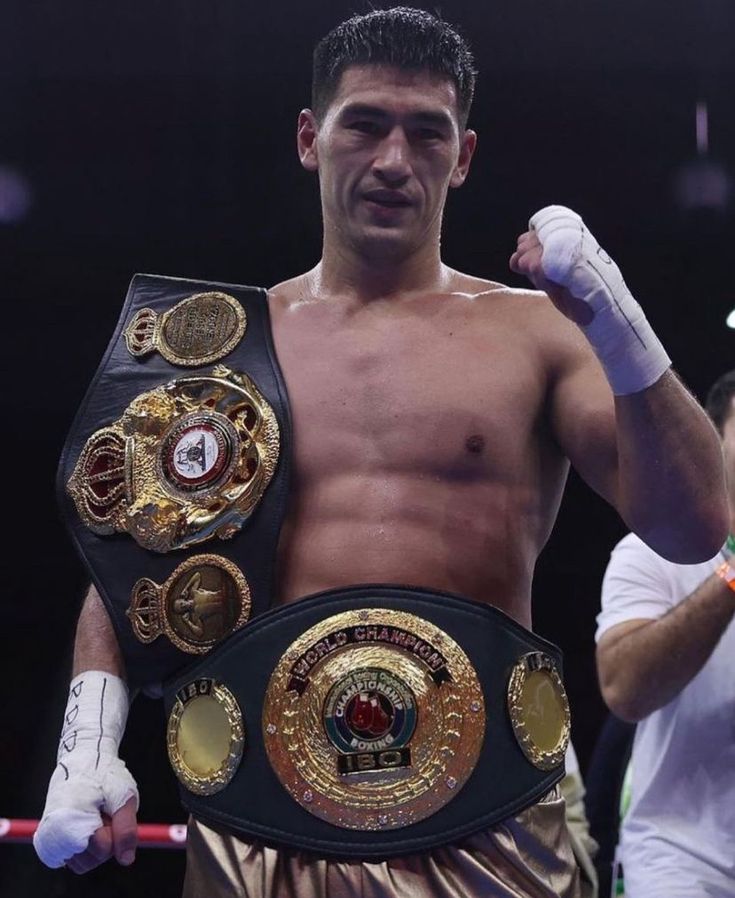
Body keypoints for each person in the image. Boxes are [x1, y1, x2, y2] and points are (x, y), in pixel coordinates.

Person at [33, 7, 728, 898]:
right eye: (364, 123)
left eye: (426, 133)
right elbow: (133, 567)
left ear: (463, 156)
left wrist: (619, 327)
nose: (394, 161)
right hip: (257, 811)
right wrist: (87, 748)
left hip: (493, 814)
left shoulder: (538, 336)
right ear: (309, 138)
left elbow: (696, 524)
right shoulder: (218, 347)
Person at [595, 370, 735, 898]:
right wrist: (733, 576)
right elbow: (623, 689)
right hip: (679, 860)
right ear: (716, 443)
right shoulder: (653, 554)